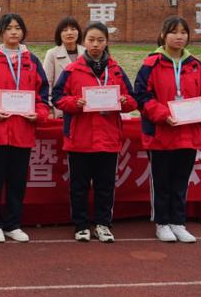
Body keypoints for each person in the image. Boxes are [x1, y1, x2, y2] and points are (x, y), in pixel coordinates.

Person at [52, 22, 137, 242]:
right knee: (79, 186)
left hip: (108, 138)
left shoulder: (116, 70)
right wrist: (75, 102)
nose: (95, 44)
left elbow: (133, 100)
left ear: (106, 42)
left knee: (105, 185)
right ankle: (81, 225)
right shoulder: (72, 70)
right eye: (91, 40)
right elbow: (57, 98)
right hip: (80, 138)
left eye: (100, 40)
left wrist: (123, 101)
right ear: (84, 42)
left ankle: (103, 224)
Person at [134, 16, 201, 244]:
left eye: (183, 32)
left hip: (188, 134)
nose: (179, 36)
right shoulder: (151, 64)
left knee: (181, 181)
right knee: (162, 182)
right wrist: (163, 115)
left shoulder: (195, 65)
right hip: (161, 133)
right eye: (174, 32)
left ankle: (178, 222)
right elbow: (142, 96)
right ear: (163, 35)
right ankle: (162, 223)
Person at [0, 13, 49, 243]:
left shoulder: (32, 61)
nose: (14, 32)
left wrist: (39, 114)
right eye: (9, 28)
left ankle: (13, 224)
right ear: (1, 32)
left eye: (18, 27)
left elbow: (42, 95)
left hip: (23, 131)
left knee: (17, 182)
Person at [42, 16, 86, 118]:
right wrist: (49, 107)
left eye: (73, 29)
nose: (69, 33)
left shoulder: (86, 53)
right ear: (59, 34)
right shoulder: (52, 54)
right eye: (65, 30)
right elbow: (47, 83)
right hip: (61, 108)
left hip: (84, 107)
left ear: (78, 32)